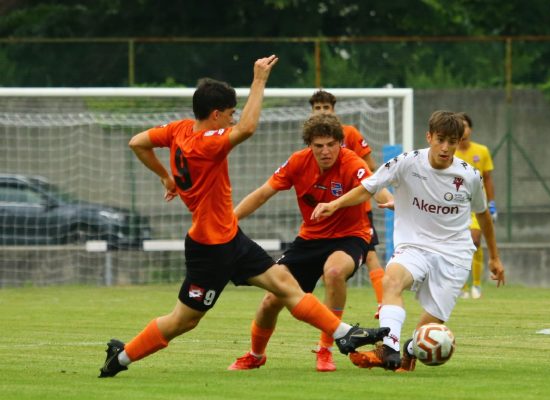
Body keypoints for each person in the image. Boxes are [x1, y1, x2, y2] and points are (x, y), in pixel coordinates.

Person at [98, 55, 388, 378]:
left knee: (285, 286)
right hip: (209, 249)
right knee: (184, 320)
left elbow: (137, 142)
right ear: (216, 114)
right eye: (230, 114)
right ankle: (120, 358)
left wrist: (166, 177)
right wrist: (259, 80)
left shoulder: (179, 130)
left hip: (231, 238)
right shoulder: (205, 146)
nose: (232, 119)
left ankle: (344, 335)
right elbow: (247, 128)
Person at [311, 110, 505, 373]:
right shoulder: (407, 162)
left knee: (429, 329)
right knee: (392, 280)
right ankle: (387, 349)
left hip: (454, 254)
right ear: (429, 137)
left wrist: (494, 257)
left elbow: (483, 216)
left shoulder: (469, 176)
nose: (446, 148)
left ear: (459, 142)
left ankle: (409, 350)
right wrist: (334, 204)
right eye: (440, 140)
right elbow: (368, 187)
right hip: (414, 246)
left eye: (452, 141)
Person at [228, 113, 390, 373]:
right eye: (318, 146)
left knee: (334, 272)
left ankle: (326, 349)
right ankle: (255, 355)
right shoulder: (297, 162)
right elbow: (262, 194)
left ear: (340, 143)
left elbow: (374, 186)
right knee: (271, 299)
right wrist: (229, 221)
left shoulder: (352, 162)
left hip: (351, 236)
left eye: (331, 144)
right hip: (309, 239)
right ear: (309, 146)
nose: (325, 151)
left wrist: (390, 201)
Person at [309, 89, 387, 317]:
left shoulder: (349, 133)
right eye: (317, 108)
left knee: (371, 254)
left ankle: (383, 303)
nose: (322, 111)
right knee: (328, 266)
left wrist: (366, 189)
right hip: (327, 210)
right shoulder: (312, 139)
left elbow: (370, 167)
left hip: (356, 208)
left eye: (326, 107)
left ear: (334, 110)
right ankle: (329, 312)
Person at [455, 112, 497, 299]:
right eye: (459, 125)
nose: (463, 129)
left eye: (465, 125)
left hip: (476, 205)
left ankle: (477, 285)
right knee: (458, 246)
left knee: (475, 241)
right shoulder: (449, 151)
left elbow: (487, 178)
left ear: (470, 129)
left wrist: (492, 203)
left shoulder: (482, 151)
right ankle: (462, 287)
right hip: (455, 205)